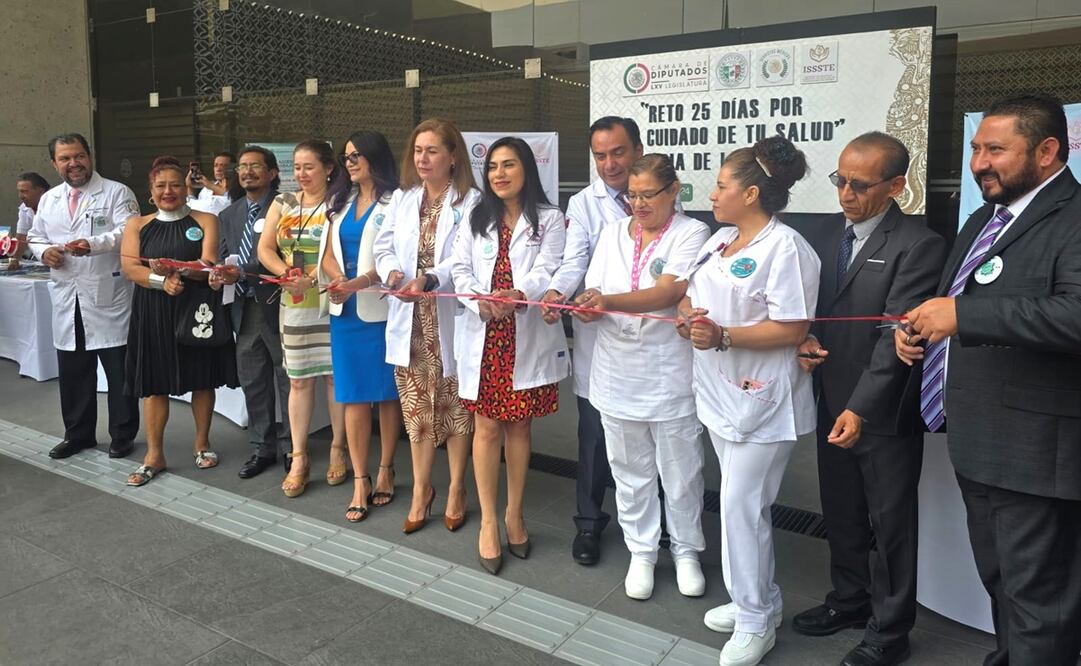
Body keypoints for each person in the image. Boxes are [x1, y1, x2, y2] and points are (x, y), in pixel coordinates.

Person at [897, 93, 1081, 666]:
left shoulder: (1074, 218)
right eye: (977, 149)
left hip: (1036, 453)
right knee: (1002, 582)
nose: (979, 163)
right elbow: (955, 303)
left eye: (996, 150)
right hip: (978, 439)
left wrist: (963, 316)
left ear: (1047, 151)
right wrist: (920, 331)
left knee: (1039, 600)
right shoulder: (984, 218)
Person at [792, 133, 946, 666]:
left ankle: (890, 630)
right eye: (840, 180)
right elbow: (812, 307)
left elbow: (895, 338)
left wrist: (860, 408)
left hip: (881, 409)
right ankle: (849, 599)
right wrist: (807, 338)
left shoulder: (919, 245)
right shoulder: (825, 234)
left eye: (860, 185)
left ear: (896, 185)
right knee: (841, 509)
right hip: (830, 396)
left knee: (890, 522)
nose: (846, 194)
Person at [678, 135, 820, 666]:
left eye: (721, 185)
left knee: (742, 508)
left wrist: (723, 337)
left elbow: (793, 326)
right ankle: (758, 601)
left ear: (752, 193)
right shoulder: (721, 240)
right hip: (719, 393)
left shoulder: (787, 249)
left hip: (763, 401)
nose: (712, 195)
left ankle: (756, 622)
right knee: (741, 507)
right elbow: (690, 294)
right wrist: (690, 317)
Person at [573, 153, 710, 600]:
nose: (639, 204)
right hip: (617, 370)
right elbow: (595, 289)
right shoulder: (613, 233)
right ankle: (642, 551)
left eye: (649, 194)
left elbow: (670, 291)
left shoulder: (692, 232)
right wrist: (589, 308)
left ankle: (686, 550)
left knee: (681, 470)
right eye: (632, 195)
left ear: (674, 191)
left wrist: (607, 302)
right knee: (629, 470)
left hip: (667, 370)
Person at [452, 137, 569, 574]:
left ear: (527, 169)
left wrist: (519, 293)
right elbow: (459, 268)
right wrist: (479, 302)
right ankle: (487, 521)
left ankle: (514, 514)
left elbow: (549, 267)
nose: (499, 174)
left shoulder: (549, 218)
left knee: (519, 426)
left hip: (523, 331)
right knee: (485, 428)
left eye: (509, 165)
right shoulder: (476, 216)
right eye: (493, 167)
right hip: (485, 331)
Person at [541, 116, 644, 566]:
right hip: (598, 335)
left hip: (649, 338)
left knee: (651, 433)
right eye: (600, 156)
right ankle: (589, 523)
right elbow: (574, 258)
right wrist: (557, 293)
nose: (609, 164)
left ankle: (655, 527)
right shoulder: (584, 203)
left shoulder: (660, 191)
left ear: (638, 150)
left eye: (618, 152)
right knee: (594, 433)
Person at [373, 117, 480, 534]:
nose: (422, 158)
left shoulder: (470, 201)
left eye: (432, 150)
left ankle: (456, 488)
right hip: (411, 321)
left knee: (455, 408)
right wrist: (393, 273)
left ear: (453, 156)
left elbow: (466, 258)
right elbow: (383, 245)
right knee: (416, 410)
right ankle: (421, 489)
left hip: (446, 319)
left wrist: (431, 278)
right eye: (418, 150)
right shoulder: (403, 199)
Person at [120, 157, 238, 486]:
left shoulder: (206, 219)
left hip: (197, 306)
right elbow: (131, 268)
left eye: (175, 184)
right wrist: (162, 281)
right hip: (153, 309)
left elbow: (208, 261)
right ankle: (154, 454)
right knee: (154, 383)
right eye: (161, 186)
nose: (168, 191)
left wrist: (179, 269)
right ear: (151, 190)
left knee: (202, 378)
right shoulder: (137, 225)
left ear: (185, 188)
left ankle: (202, 443)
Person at [26, 133, 140, 460]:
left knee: (118, 374)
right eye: (65, 158)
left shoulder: (117, 192)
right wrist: (44, 252)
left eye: (79, 156)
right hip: (68, 296)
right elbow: (35, 235)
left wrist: (93, 244)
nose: (73, 163)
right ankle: (78, 435)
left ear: (89, 156)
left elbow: (128, 231)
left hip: (108, 296)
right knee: (74, 373)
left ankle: (122, 435)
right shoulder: (49, 199)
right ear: (54, 164)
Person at [256, 140, 348, 498]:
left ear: (328, 168)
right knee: (298, 381)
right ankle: (299, 457)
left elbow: (338, 251)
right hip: (294, 302)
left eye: (309, 167)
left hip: (330, 300)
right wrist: (285, 273)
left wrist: (314, 278)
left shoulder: (340, 203)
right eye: (297, 167)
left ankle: (338, 447)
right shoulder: (283, 202)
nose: (301, 174)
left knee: (334, 378)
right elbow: (265, 248)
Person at [318, 130, 403, 523]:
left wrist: (359, 282)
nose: (349, 163)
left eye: (356, 156)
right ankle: (360, 478)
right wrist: (339, 279)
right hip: (345, 313)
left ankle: (386, 468)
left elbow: (396, 257)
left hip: (380, 312)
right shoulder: (339, 201)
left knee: (386, 396)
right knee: (352, 396)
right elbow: (327, 253)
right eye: (346, 157)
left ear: (375, 157)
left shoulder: (397, 201)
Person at [210, 145, 291, 479]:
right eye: (242, 166)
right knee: (253, 380)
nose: (247, 172)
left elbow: (290, 256)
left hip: (280, 304)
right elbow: (224, 257)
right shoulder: (229, 215)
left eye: (255, 166)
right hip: (243, 308)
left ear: (272, 172)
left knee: (288, 381)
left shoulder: (286, 207)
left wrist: (242, 270)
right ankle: (262, 447)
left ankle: (292, 448)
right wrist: (218, 274)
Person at [8, 172, 50, 270]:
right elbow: (22, 236)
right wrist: (15, 260)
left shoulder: (57, 206)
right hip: (41, 258)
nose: (20, 196)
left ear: (41, 191)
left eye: (24, 191)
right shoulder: (24, 208)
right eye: (19, 192)